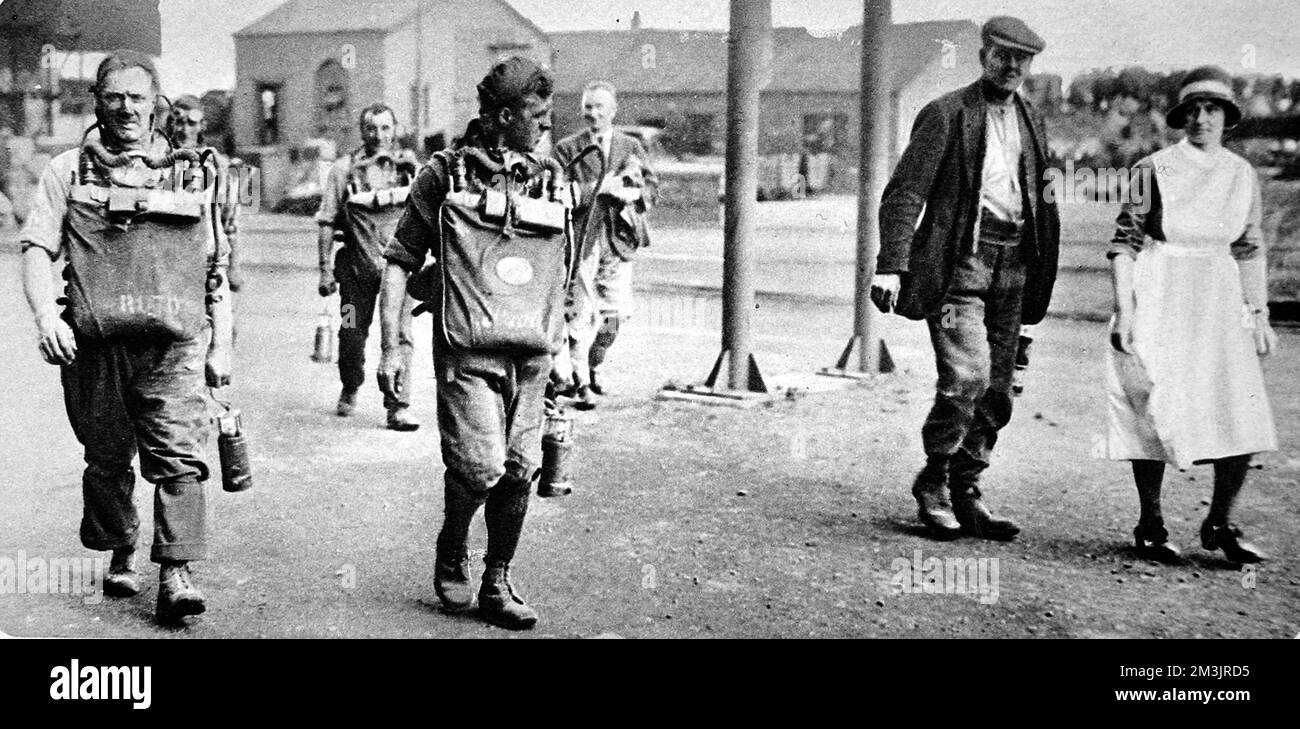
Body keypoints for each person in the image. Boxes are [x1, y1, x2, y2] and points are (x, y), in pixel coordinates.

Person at [19, 50, 233, 624]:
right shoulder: (68, 170)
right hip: (96, 346)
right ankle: (122, 545)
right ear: (97, 102)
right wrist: (46, 316)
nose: (126, 108)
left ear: (157, 105)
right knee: (108, 458)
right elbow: (37, 249)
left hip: (171, 344)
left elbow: (214, 271)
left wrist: (223, 343)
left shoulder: (192, 173)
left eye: (137, 98)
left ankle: (177, 571)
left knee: (179, 457)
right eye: (114, 97)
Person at [379, 56, 567, 630]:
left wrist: (567, 345)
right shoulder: (446, 173)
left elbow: (565, 268)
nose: (546, 125)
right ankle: (453, 541)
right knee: (481, 465)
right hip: (468, 348)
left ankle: (497, 580)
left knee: (520, 468)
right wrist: (394, 348)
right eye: (536, 115)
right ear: (504, 116)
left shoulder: (549, 176)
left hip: (531, 353)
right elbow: (398, 261)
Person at [871, 17, 1060, 541]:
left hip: (1014, 267)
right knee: (966, 378)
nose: (1012, 66)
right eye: (1002, 55)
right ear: (983, 55)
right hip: (959, 265)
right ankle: (932, 482)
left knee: (999, 388)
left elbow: (1043, 198)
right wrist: (892, 263)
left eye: (1022, 59)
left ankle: (968, 490)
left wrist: (1042, 266)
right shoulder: (946, 114)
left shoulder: (1032, 120)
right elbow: (906, 191)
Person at [1106, 66, 1278, 565]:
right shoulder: (1152, 167)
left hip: (1219, 297)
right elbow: (1124, 243)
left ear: (1227, 117)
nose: (1203, 119)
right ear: (1182, 117)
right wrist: (1126, 311)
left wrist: (1259, 311)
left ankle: (1220, 521)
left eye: (1213, 110)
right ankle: (1151, 523)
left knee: (1240, 406)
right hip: (1161, 288)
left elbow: (1249, 248)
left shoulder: (1242, 174)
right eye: (1194, 110)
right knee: (1150, 402)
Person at [315, 103, 421, 431]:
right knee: (350, 333)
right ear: (362, 131)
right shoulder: (343, 170)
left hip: (399, 269)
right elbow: (327, 221)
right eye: (372, 128)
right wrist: (324, 269)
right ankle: (350, 383)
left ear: (395, 129)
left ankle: (398, 405)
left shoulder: (410, 169)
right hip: (353, 271)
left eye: (386, 128)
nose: (379, 135)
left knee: (401, 337)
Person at [551, 81, 657, 407]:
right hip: (581, 240)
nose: (594, 114)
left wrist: (634, 193)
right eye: (588, 107)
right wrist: (598, 189)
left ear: (613, 111)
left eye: (600, 107)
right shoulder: (567, 149)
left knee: (614, 316)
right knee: (579, 314)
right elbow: (555, 193)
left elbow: (651, 188)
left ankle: (595, 363)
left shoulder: (630, 146)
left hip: (618, 240)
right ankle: (580, 379)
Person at [167, 94, 243, 320]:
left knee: (219, 331)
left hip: (209, 261)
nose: (183, 129)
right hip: (170, 261)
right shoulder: (160, 160)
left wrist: (235, 268)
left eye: (191, 123)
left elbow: (231, 222)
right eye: (178, 122)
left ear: (202, 126)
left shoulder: (218, 164)